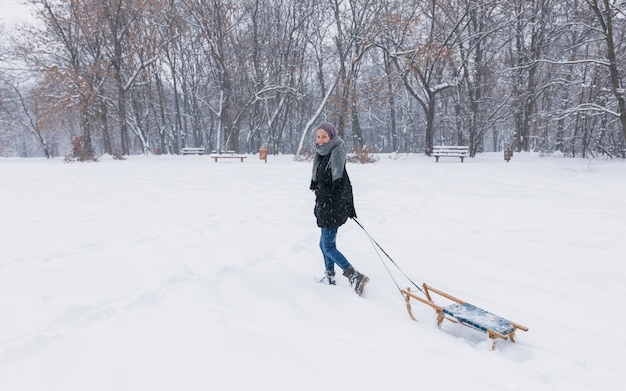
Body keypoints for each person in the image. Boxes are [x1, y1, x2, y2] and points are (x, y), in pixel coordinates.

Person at [309, 122, 369, 295]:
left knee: (328, 246)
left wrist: (346, 205)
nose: (320, 140)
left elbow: (342, 184)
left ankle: (354, 275)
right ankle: (330, 276)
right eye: (318, 136)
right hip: (324, 206)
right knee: (324, 244)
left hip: (332, 207)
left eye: (324, 136)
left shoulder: (336, 153)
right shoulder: (321, 154)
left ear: (331, 137)